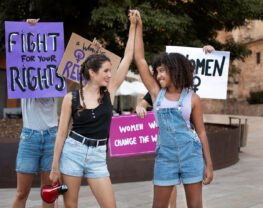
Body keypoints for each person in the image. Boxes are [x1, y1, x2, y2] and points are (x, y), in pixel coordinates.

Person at [49, 11, 137, 208]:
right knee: (70, 206)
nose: (109, 74)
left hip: (98, 156)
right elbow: (61, 133)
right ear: (92, 72)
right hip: (73, 152)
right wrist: (55, 167)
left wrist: (133, 25)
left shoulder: (110, 92)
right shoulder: (70, 98)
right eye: (106, 70)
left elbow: (128, 56)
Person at [134, 11, 213, 208]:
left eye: (163, 71)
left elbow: (201, 132)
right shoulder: (155, 93)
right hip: (165, 158)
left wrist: (209, 165)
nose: (158, 75)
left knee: (195, 205)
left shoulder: (192, 98)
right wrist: (139, 27)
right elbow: (140, 59)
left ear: (175, 70)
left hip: (191, 156)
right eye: (157, 71)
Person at [11, 18, 58, 208]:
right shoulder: (23, 71)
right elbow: (18, 48)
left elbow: (75, 74)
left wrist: (92, 50)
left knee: (49, 194)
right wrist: (26, 27)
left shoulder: (56, 76)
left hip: (52, 137)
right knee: (22, 193)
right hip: (29, 137)